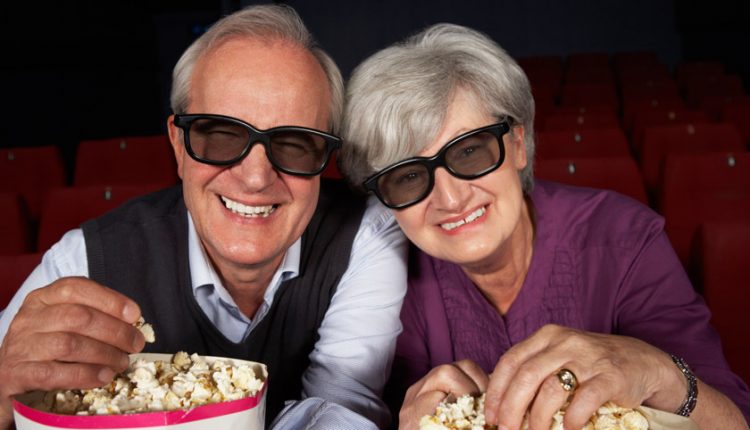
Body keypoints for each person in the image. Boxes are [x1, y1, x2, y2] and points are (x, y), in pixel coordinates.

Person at [0, 5, 407, 429]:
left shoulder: (367, 234)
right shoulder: (84, 260)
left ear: (325, 159)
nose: (255, 178)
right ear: (178, 145)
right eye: (221, 135)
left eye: (294, 143)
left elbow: (341, 410)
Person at [339, 23, 750, 429]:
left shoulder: (624, 238)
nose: (450, 199)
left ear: (517, 145)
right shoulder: (382, 273)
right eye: (408, 176)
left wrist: (660, 373)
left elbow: (736, 421)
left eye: (468, 152)